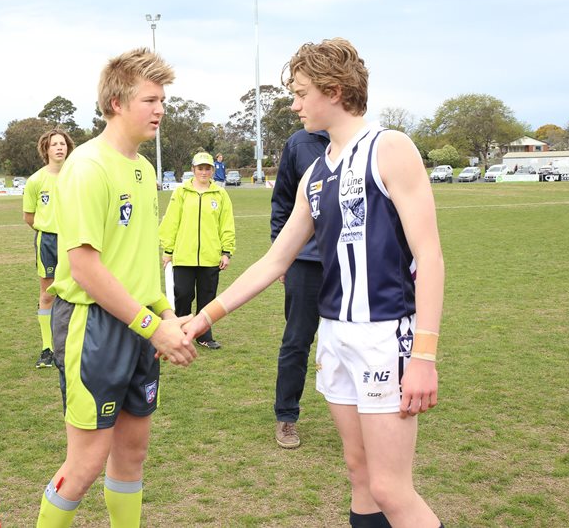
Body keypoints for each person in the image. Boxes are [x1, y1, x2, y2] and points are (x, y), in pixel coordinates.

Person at [184, 38, 445, 528]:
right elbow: (274, 261)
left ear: (335, 89)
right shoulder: (316, 172)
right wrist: (203, 318)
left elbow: (430, 256)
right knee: (360, 474)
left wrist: (425, 357)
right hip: (336, 335)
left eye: (302, 92)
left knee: (392, 487)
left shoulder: (390, 148)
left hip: (384, 334)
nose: (294, 103)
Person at [37, 48, 197, 528]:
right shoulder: (87, 166)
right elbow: (84, 267)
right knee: (85, 464)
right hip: (95, 326)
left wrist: (165, 313)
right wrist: (153, 325)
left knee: (132, 454)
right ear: (115, 103)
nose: (160, 109)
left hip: (141, 323)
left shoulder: (145, 170)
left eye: (162, 99)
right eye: (150, 99)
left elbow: (141, 257)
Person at [270, 128, 329, 448]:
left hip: (349, 262)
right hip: (304, 263)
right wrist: (283, 257)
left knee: (353, 341)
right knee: (297, 341)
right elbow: (281, 203)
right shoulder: (299, 143)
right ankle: (286, 417)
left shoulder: (364, 141)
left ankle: (367, 412)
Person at [159, 151, 236, 350]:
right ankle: (181, 333)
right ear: (193, 170)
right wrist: (168, 250)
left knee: (207, 299)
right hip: (183, 257)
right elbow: (171, 221)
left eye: (207, 168)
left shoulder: (220, 194)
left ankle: (204, 336)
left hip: (211, 258)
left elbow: (226, 225)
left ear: (212, 170)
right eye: (200, 168)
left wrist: (226, 252)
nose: (204, 172)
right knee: (183, 295)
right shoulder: (181, 192)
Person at [23, 128, 74, 371]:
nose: (59, 147)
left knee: (78, 290)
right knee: (48, 294)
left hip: (74, 239)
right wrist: (50, 228)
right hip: (48, 241)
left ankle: (74, 342)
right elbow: (29, 216)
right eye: (54, 144)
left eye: (62, 143)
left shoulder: (77, 175)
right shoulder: (36, 180)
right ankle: (48, 348)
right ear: (46, 149)